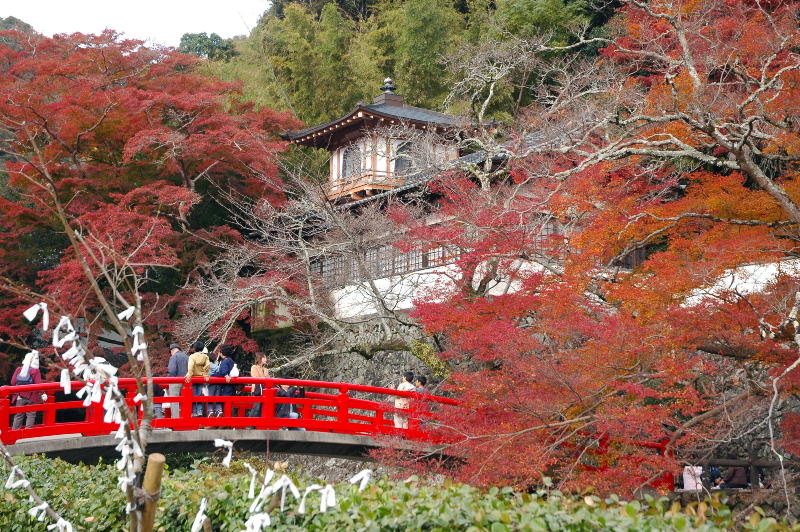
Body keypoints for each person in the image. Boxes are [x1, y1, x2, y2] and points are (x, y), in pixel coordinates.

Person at [11, 351, 45, 430]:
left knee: (18, 415)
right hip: (32, 397)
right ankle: (28, 432)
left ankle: (15, 432)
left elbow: (13, 382)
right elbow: (38, 384)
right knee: (31, 415)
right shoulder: (35, 371)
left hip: (20, 396)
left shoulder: (19, 369)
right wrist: (42, 394)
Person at [207, 344, 235, 417]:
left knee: (224, 403)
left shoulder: (224, 361)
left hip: (226, 386)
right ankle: (227, 419)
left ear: (222, 353)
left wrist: (213, 376)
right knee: (229, 403)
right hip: (231, 386)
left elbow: (223, 372)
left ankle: (225, 420)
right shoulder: (230, 360)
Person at [185, 341, 210, 417]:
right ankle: (199, 411)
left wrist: (189, 374)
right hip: (201, 378)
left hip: (193, 378)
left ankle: (193, 412)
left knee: (192, 395)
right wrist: (205, 374)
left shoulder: (192, 356)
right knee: (199, 395)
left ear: (194, 348)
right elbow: (207, 365)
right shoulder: (205, 357)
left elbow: (191, 366)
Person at [166, 343, 188, 418]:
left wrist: (169, 379)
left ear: (172, 350)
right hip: (186, 382)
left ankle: (175, 419)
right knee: (185, 401)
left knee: (174, 401)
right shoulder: (187, 357)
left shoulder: (174, 357)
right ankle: (185, 418)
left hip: (175, 381)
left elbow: (172, 370)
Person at [247, 353, 269, 418]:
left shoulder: (266, 369)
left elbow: (268, 379)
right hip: (257, 390)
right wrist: (264, 376)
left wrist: (264, 374)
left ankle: (258, 423)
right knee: (256, 408)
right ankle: (250, 422)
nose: (266, 359)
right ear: (260, 358)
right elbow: (255, 377)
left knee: (262, 408)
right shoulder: (254, 367)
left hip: (264, 390)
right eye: (264, 358)